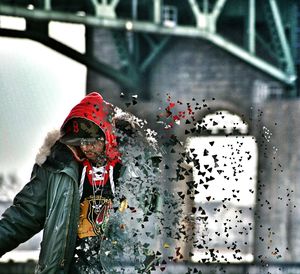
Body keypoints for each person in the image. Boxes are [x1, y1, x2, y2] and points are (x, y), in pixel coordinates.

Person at [0, 92, 161, 274]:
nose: (85, 147)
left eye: (91, 141)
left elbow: (158, 221)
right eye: (80, 141)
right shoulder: (56, 168)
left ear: (107, 135)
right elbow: (23, 216)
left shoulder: (138, 168)